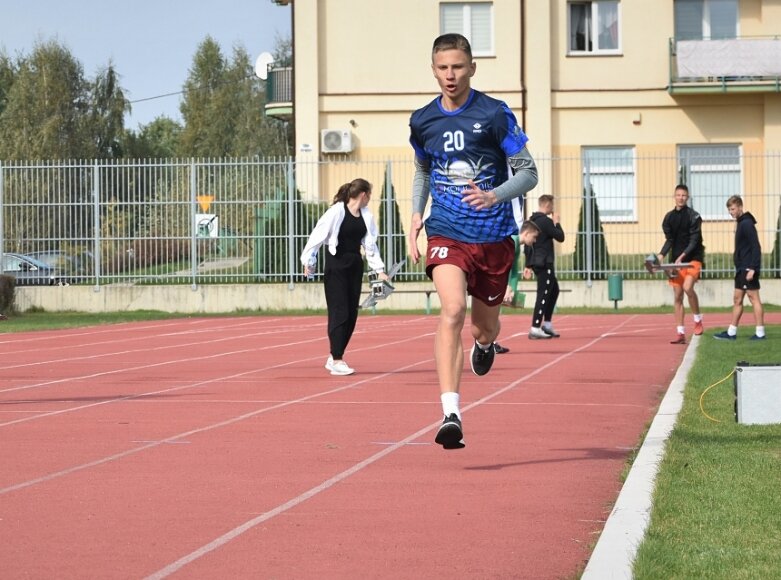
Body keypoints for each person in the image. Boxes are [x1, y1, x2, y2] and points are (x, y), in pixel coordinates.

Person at [408, 33, 540, 450]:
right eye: (443, 67)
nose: (450, 75)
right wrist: (416, 214)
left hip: (494, 237)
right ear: (433, 69)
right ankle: (451, 413)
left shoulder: (495, 114)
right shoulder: (422, 120)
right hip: (446, 230)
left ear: (472, 68)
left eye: (458, 67)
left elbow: (529, 173)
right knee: (452, 310)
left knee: (484, 326)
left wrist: (494, 194)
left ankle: (484, 345)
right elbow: (424, 171)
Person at [301, 178, 389, 375]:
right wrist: (309, 261)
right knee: (339, 311)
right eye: (369, 196)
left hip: (355, 266)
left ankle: (334, 355)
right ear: (363, 195)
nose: (370, 200)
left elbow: (370, 246)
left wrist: (379, 270)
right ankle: (338, 359)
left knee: (351, 313)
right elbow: (317, 236)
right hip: (336, 265)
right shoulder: (336, 212)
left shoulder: (366, 216)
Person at [657, 184, 705, 344]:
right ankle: (680, 333)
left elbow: (694, 240)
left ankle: (698, 319)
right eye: (678, 195)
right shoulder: (669, 218)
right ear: (674, 196)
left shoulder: (694, 216)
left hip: (693, 259)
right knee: (677, 296)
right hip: (677, 261)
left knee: (687, 288)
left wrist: (683, 256)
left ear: (688, 197)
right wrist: (661, 254)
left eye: (684, 195)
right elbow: (670, 240)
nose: (681, 198)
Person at [714, 195, 766, 341]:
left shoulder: (747, 223)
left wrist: (753, 268)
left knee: (753, 298)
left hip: (748, 268)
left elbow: (756, 247)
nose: (731, 212)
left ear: (740, 207)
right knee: (737, 299)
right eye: (729, 210)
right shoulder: (740, 222)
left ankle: (760, 333)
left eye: (733, 209)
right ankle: (731, 332)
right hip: (741, 268)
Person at [523, 194, 565, 339]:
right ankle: (535, 327)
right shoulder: (546, 222)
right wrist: (557, 222)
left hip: (536, 262)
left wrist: (527, 265)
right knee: (543, 294)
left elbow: (527, 245)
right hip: (544, 262)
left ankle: (546, 324)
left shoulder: (531, 221)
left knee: (554, 290)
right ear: (547, 206)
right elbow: (560, 237)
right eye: (552, 206)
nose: (553, 208)